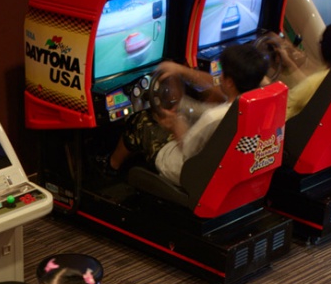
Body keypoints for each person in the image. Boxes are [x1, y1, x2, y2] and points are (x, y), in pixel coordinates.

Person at [104, 43, 269, 184]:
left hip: (188, 170)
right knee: (186, 105)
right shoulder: (262, 103)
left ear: (230, 82)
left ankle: (110, 167)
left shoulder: (213, 117)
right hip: (230, 168)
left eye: (223, 73)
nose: (219, 76)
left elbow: (188, 148)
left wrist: (175, 122)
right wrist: (181, 72)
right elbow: (217, 91)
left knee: (140, 120)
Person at [265, 20, 331, 119]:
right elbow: (309, 83)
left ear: (324, 48)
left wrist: (264, 80)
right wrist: (289, 60)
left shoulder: (315, 83)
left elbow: (278, 110)